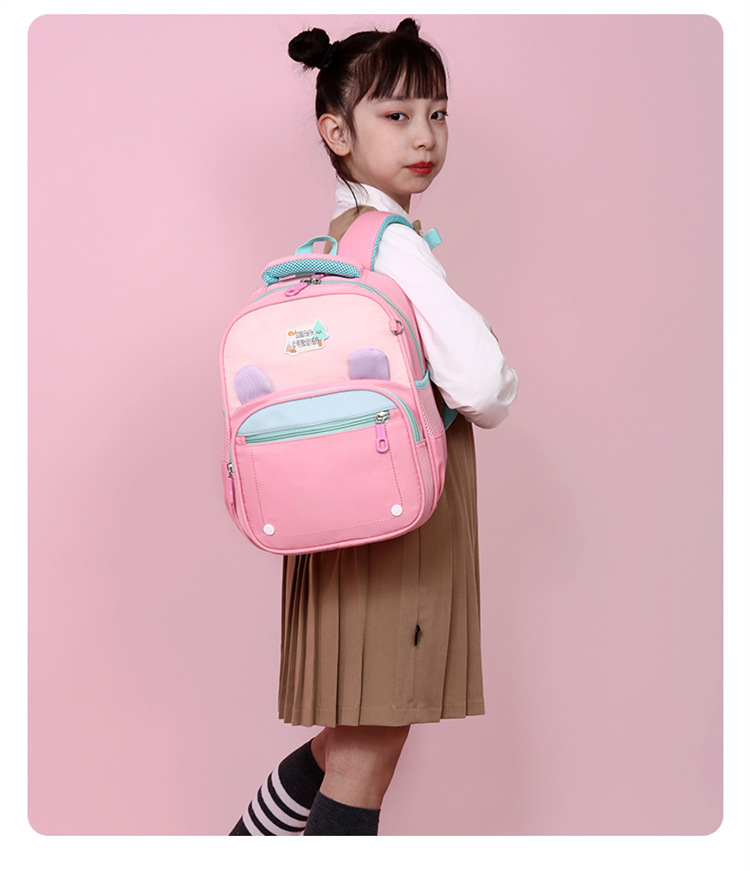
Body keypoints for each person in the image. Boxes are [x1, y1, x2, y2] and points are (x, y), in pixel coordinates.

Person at [229, 17, 518, 837]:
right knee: (365, 755)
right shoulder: (394, 248)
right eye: (396, 115)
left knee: (344, 741)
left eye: (437, 112)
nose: (424, 135)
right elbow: (482, 385)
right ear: (337, 132)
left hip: (339, 526)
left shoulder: (332, 246)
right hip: (399, 529)